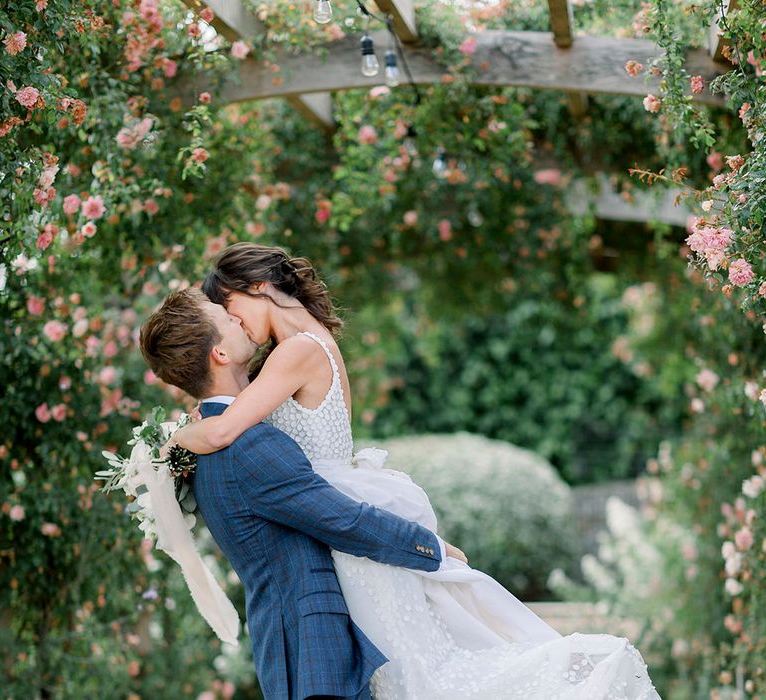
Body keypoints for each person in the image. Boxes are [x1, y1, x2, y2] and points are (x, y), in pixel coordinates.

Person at [168, 243, 662, 699]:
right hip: (331, 513)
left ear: (258, 287)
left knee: (414, 675)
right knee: (405, 671)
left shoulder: (297, 350)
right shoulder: (302, 348)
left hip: (337, 514)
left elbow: (222, 430)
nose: (238, 326)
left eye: (232, 310)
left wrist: (171, 440)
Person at [139, 287, 457, 700]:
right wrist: (431, 547)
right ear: (219, 354)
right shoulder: (248, 446)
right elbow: (344, 520)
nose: (237, 318)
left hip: (291, 644)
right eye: (226, 318)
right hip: (313, 647)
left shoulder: (208, 442)